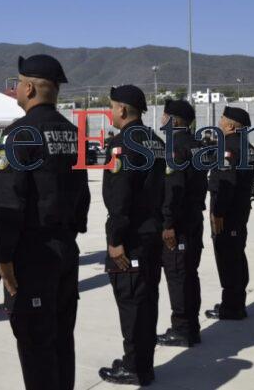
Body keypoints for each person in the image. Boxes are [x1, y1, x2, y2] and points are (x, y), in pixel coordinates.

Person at [0, 55, 90, 390]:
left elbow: (9, 201)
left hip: (33, 255)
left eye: (18, 82)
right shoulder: (72, 132)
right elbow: (83, 196)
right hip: (65, 247)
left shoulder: (20, 134)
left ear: (30, 87)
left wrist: (3, 257)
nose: (17, 88)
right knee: (62, 339)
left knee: (36, 345)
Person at [99, 85, 164, 387]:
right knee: (147, 301)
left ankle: (135, 367)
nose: (111, 112)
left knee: (132, 303)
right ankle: (141, 362)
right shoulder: (155, 141)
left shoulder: (122, 144)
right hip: (151, 234)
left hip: (132, 238)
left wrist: (115, 240)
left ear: (122, 110)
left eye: (112, 107)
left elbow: (120, 198)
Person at [156, 99, 207, 347]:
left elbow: (173, 189)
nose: (162, 119)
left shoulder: (175, 147)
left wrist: (167, 224)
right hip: (194, 218)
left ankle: (182, 329)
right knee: (190, 274)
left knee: (178, 276)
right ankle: (191, 326)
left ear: (175, 121)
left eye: (165, 116)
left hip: (179, 224)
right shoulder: (196, 145)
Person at [205, 107, 254, 320]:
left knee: (228, 258)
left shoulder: (229, 146)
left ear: (232, 126)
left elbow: (226, 184)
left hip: (229, 213)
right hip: (240, 210)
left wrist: (218, 213)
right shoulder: (247, 146)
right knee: (236, 255)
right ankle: (234, 301)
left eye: (222, 119)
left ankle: (232, 307)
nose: (219, 121)